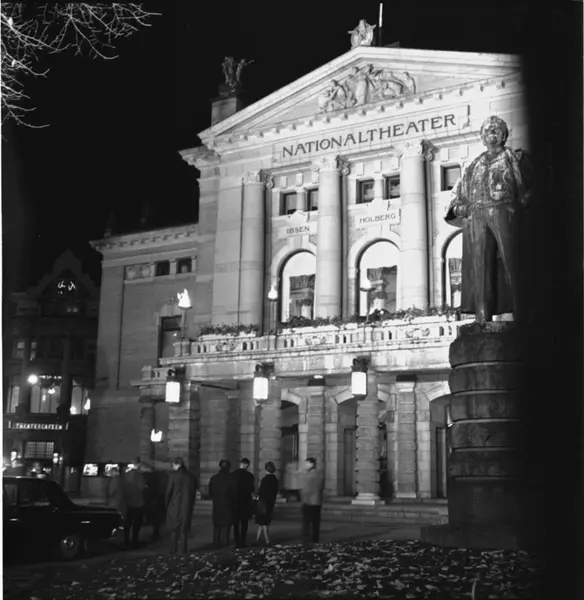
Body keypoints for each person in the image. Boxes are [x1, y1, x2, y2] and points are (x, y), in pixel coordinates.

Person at [445, 114, 532, 323]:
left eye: (496, 130)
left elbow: (531, 189)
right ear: (482, 137)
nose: (491, 133)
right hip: (477, 216)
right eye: (487, 131)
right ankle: (482, 318)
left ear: (504, 136)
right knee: (480, 269)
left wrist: (519, 207)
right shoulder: (473, 165)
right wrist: (461, 208)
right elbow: (456, 198)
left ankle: (523, 314)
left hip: (505, 212)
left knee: (513, 263)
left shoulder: (516, 159)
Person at [165, 457, 197, 554]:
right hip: (186, 505)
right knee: (184, 530)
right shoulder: (191, 476)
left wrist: (166, 503)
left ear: (176, 464)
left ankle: (173, 549)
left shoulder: (172, 475)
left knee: (174, 529)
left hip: (174, 505)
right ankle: (183, 549)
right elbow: (193, 492)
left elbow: (169, 491)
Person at [208, 459, 237, 549]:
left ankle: (216, 544)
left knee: (217, 526)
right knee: (226, 527)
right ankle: (225, 544)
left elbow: (210, 492)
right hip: (228, 505)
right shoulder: (232, 478)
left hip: (217, 504)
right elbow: (235, 493)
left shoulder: (214, 478)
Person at [121, 461, 146, 548]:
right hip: (138, 502)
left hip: (128, 502)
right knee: (136, 524)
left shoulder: (126, 475)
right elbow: (142, 487)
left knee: (127, 523)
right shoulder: (139, 476)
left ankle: (126, 541)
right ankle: (134, 541)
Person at [300, 457, 325, 546]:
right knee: (315, 522)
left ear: (312, 464)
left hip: (309, 501)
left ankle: (307, 540)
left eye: (307, 463)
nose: (305, 465)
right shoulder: (319, 474)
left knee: (306, 522)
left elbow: (306, 489)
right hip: (317, 501)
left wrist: (303, 498)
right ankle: (315, 540)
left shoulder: (309, 475)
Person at [254, 461, 279, 545]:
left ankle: (267, 540)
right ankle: (257, 539)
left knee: (263, 523)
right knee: (264, 522)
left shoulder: (265, 480)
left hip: (263, 503)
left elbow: (261, 492)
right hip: (270, 502)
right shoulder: (275, 480)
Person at [232, 457, 255, 548]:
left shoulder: (234, 474)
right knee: (244, 523)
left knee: (236, 523)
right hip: (245, 501)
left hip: (235, 501)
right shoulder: (249, 475)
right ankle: (242, 540)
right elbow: (251, 489)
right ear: (246, 465)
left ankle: (236, 541)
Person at [145, 468, 169, 542]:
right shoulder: (162, 481)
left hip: (154, 501)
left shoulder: (151, 481)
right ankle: (156, 532)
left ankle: (156, 533)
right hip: (159, 500)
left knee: (155, 519)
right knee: (157, 519)